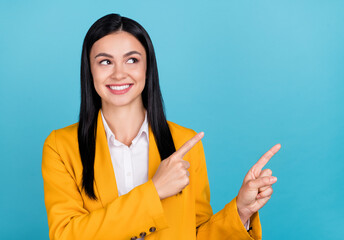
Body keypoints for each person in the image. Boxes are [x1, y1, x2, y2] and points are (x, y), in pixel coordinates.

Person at [42, 13, 280, 240]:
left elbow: (195, 234)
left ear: (148, 68)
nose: (119, 73)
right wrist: (153, 192)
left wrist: (240, 212)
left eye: (132, 60)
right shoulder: (61, 147)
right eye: (105, 61)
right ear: (89, 69)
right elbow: (65, 235)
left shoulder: (185, 144)